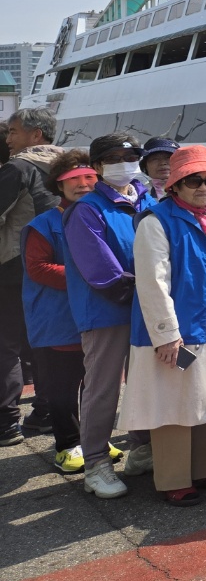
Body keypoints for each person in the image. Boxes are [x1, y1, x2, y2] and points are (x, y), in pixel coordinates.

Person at [123, 145, 206, 506]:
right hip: (176, 333)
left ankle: (204, 468)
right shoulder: (156, 222)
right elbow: (152, 283)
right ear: (175, 185)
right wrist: (167, 335)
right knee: (173, 404)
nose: (203, 187)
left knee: (205, 397)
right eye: (193, 180)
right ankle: (173, 478)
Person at [64, 132, 158, 498]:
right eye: (113, 157)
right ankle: (96, 463)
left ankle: (143, 448)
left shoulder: (148, 199)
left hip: (147, 308)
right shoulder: (86, 209)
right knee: (103, 388)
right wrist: (150, 290)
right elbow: (101, 270)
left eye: (130, 156)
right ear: (98, 166)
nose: (124, 163)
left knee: (146, 381)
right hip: (107, 311)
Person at [21, 150, 95, 472]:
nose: (83, 184)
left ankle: (92, 440)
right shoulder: (43, 224)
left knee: (95, 385)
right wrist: (89, 277)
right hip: (59, 320)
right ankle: (68, 445)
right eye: (73, 178)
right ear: (58, 184)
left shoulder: (102, 216)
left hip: (95, 317)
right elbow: (37, 268)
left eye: (89, 177)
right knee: (63, 389)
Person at [0, 107, 61, 444]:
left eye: (13, 131)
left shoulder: (18, 168)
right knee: (42, 342)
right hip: (55, 267)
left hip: (12, 266)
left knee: (5, 345)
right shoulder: (70, 166)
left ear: (36, 134)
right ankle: (46, 411)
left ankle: (5, 422)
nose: (8, 138)